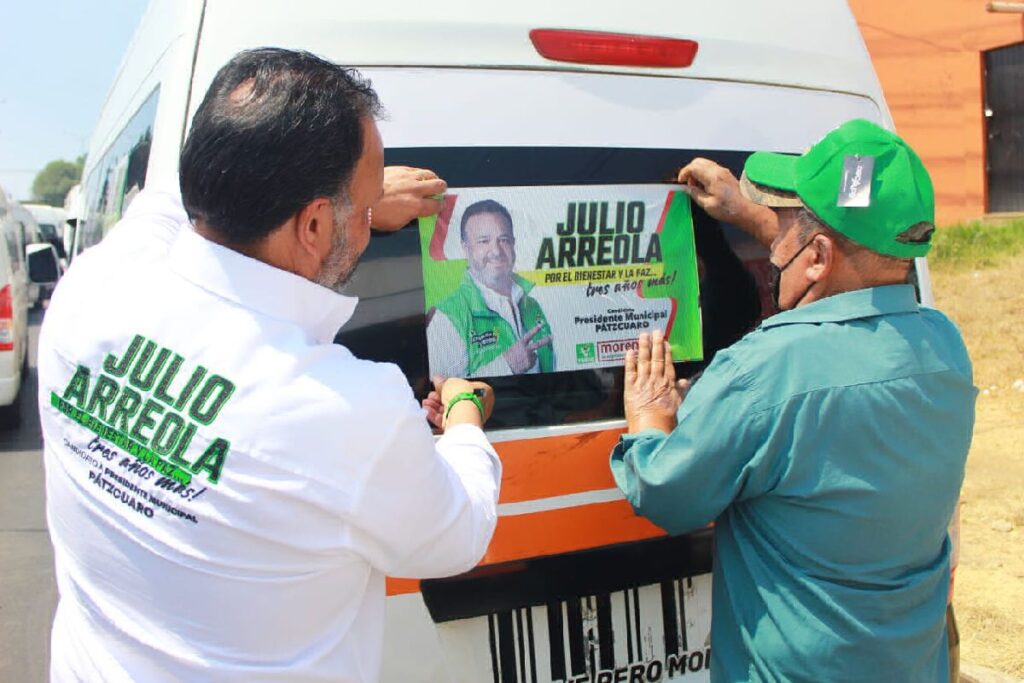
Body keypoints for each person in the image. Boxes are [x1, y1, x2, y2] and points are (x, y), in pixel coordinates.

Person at [38, 48, 501, 682]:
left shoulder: (95, 282)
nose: (372, 220)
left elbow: (172, 193)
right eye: (365, 212)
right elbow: (460, 534)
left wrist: (357, 199)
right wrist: (467, 421)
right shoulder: (343, 408)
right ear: (313, 225)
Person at [611, 119, 976, 682]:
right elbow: (851, 255)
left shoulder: (766, 368)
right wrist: (754, 217)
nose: (775, 242)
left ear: (817, 257)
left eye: (787, 229)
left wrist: (649, 418)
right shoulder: (944, 346)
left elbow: (667, 493)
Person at [427, 198, 554, 378]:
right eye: (484, 241)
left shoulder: (532, 306)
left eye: (503, 239)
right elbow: (441, 394)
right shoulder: (448, 317)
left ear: (513, 243)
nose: (496, 251)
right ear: (465, 248)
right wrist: (507, 365)